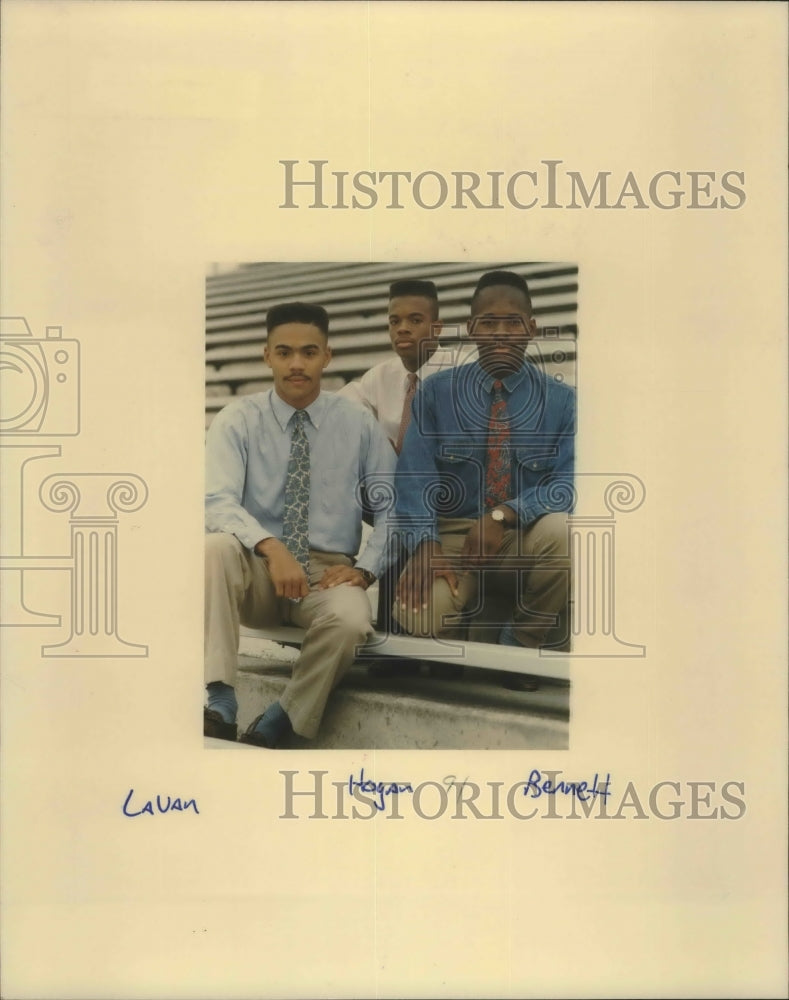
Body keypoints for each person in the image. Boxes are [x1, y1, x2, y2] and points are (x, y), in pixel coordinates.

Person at [204, 302, 396, 747]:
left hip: (325, 572)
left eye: (309, 352)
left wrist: (366, 569)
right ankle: (219, 699)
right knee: (213, 547)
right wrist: (271, 547)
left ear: (327, 356)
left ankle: (283, 718)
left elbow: (394, 509)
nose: (296, 364)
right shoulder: (238, 419)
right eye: (285, 352)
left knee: (351, 619)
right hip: (255, 566)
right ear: (266, 355)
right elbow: (216, 501)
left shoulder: (357, 424)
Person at [392, 270, 574, 676]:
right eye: (489, 323)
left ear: (531, 327)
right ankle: (466, 628)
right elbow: (414, 477)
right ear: (472, 328)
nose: (500, 334)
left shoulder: (563, 402)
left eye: (513, 323)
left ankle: (520, 645)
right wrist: (425, 545)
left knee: (567, 531)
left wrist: (504, 514)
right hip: (454, 537)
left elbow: (568, 485)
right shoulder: (437, 392)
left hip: (520, 536)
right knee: (418, 616)